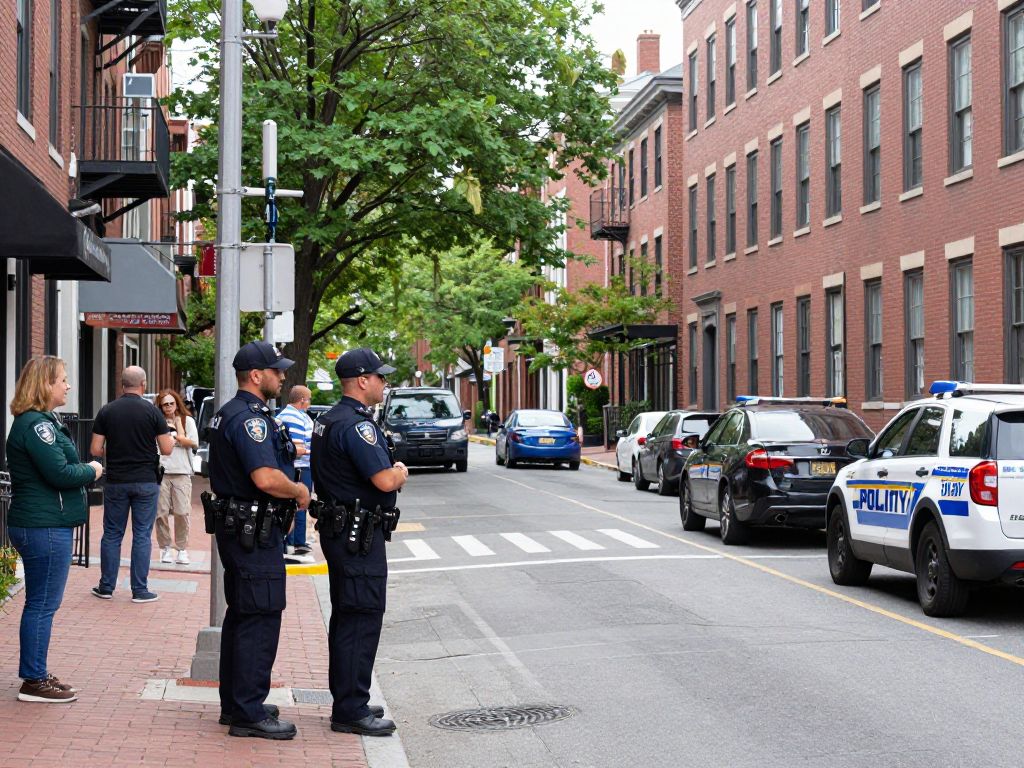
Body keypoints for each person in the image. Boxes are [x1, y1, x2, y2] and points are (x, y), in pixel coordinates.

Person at [207, 340, 310, 740]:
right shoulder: (250, 419)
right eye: (276, 370)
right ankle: (249, 712)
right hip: (253, 533)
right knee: (260, 617)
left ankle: (237, 704)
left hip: (243, 530)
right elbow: (265, 478)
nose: (282, 376)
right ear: (255, 375)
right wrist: (299, 492)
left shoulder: (231, 413)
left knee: (242, 615)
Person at [311, 348, 408, 736]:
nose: (385, 383)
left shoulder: (329, 419)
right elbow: (383, 480)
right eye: (381, 377)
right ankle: (351, 708)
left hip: (343, 532)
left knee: (348, 616)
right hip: (357, 536)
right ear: (363, 380)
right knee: (360, 619)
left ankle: (351, 700)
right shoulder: (356, 426)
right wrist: (400, 471)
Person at [6, 356, 104, 703]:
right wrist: (92, 470)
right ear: (45, 384)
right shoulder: (37, 425)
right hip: (43, 526)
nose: (68, 385)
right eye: (62, 379)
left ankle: (37, 672)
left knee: (42, 602)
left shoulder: (40, 421)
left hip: (43, 523)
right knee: (43, 604)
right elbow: (59, 473)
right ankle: (33, 681)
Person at [90, 367, 173, 603]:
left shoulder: (107, 411)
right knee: (142, 535)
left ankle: (106, 587)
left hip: (116, 481)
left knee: (112, 533)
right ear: (143, 384)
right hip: (146, 481)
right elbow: (166, 448)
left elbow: (95, 449)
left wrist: (116, 450)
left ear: (122, 384)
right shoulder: (153, 412)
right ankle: (140, 590)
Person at [156, 389, 199, 565]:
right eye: (165, 404)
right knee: (161, 513)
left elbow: (194, 443)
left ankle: (181, 549)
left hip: (182, 471)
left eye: (171, 403)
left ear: (177, 403)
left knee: (182, 512)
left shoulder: (187, 420)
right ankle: (165, 548)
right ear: (160, 406)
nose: (168, 407)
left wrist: (178, 436)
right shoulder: (157, 421)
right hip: (161, 471)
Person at [277, 385, 315, 558]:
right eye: (309, 399)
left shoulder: (287, 415)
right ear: (302, 400)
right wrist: (315, 452)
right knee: (300, 503)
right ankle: (294, 543)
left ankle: (295, 541)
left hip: (295, 466)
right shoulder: (295, 418)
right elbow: (297, 448)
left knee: (295, 504)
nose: (309, 403)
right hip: (299, 466)